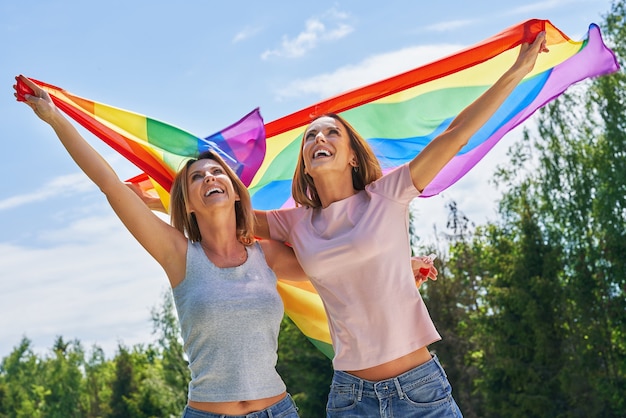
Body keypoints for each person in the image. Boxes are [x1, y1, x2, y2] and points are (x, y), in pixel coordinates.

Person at [253, 32, 549, 417]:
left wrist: (516, 70)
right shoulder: (292, 224)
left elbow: (454, 135)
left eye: (331, 132)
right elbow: (221, 215)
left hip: (419, 390)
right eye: (310, 136)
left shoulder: (388, 193)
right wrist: (162, 194)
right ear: (305, 165)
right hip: (351, 399)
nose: (319, 138)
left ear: (352, 158)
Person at [14, 74, 303, 418]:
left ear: (235, 190)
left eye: (217, 172)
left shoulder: (267, 255)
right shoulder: (179, 255)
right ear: (188, 204)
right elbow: (109, 184)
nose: (209, 177)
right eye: (197, 176)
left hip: (278, 411)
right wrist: (56, 119)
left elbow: (339, 259)